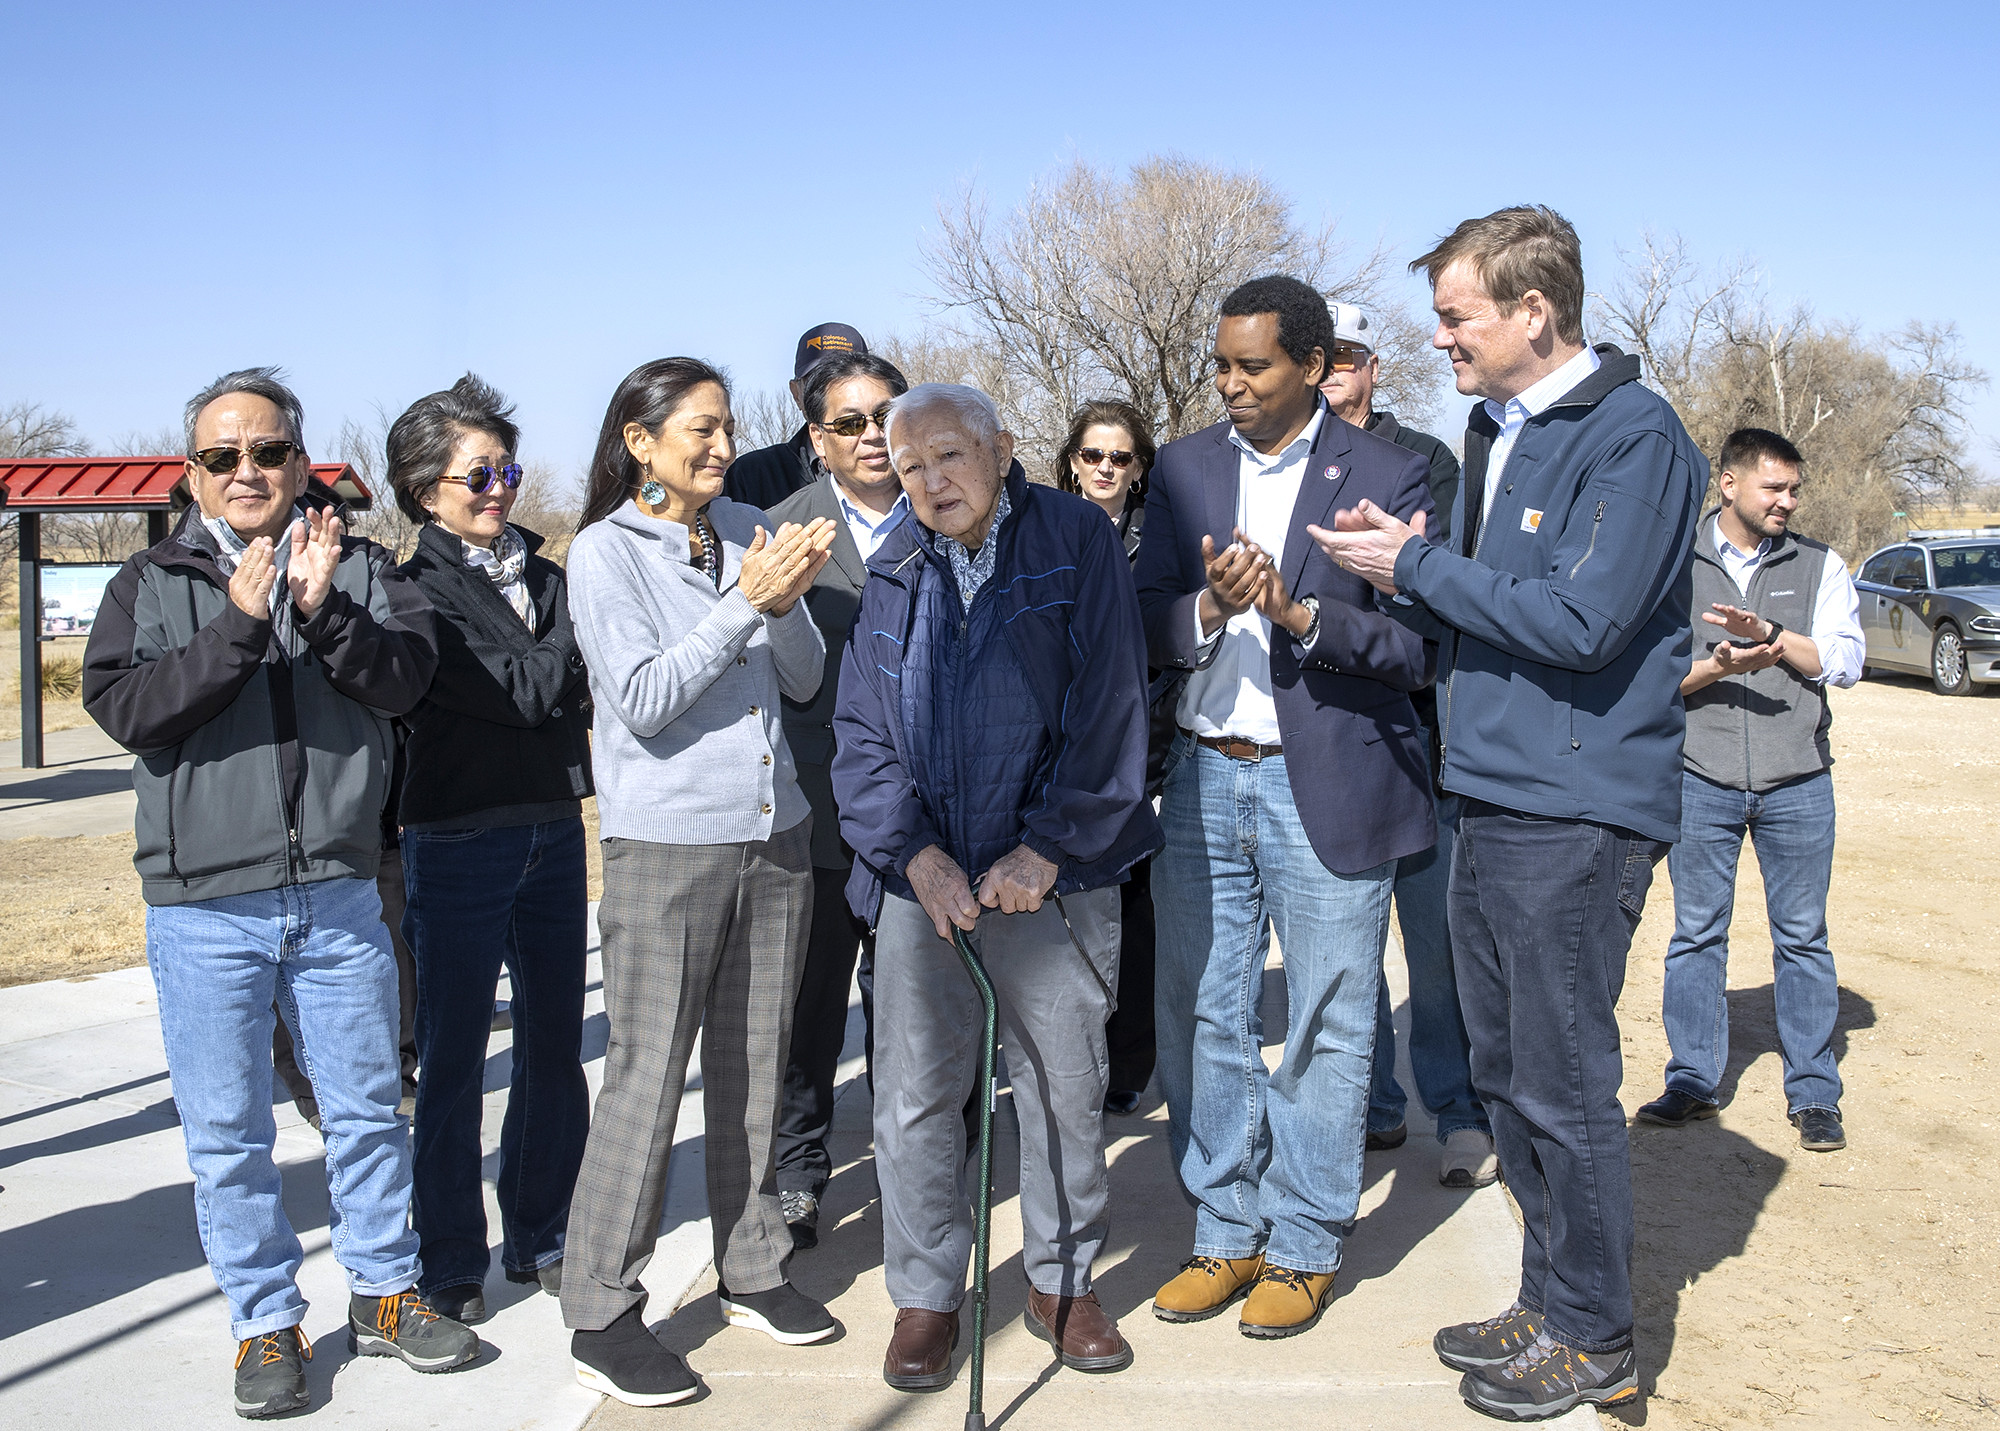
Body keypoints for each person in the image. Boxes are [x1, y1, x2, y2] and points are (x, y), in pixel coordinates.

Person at [1315, 206, 1704, 1419]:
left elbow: (1583, 623)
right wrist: (1409, 564)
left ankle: (1594, 1336)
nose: (1438, 339)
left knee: (1562, 1079)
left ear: (1534, 311)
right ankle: (1545, 1300)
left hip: (1572, 811)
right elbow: (1490, 602)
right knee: (1504, 1070)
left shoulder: (1635, 436)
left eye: (1455, 316)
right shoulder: (1494, 430)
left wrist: (1415, 569)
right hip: (1483, 794)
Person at [81, 367, 478, 1419]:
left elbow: (407, 681)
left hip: (340, 894)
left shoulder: (361, 568)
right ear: (193, 473)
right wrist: (240, 623)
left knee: (365, 1112)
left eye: (267, 452)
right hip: (204, 909)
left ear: (301, 464)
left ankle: (385, 1295)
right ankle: (265, 1322)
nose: (247, 470)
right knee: (228, 1135)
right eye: (224, 456)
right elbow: (130, 711)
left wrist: (320, 606)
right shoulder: (149, 582)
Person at [834, 383, 1162, 1390]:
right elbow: (861, 736)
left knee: (1064, 1089)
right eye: (911, 466)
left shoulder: (1074, 537)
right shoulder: (891, 563)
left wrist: (1044, 847)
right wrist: (913, 854)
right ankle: (927, 1296)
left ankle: (1061, 1283)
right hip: (925, 883)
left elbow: (1111, 707)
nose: (931, 481)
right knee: (915, 1097)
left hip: (1050, 877)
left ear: (1003, 448)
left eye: (950, 456)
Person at [1133, 276, 1438, 1340]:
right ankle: (1225, 1228)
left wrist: (1296, 613)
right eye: (1220, 365)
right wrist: (1209, 608)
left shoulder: (1390, 473)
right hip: (1202, 778)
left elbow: (1418, 647)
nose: (1230, 383)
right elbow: (1142, 619)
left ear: (1312, 365)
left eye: (1252, 365)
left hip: (1333, 782)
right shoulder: (1182, 470)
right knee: (1203, 1012)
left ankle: (1304, 1243)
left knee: (1325, 1020)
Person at [560, 357, 839, 1407]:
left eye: (728, 428)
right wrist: (741, 606)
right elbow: (640, 700)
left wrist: (783, 603)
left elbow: (803, 678)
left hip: (775, 833)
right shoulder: (604, 550)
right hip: (667, 849)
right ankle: (600, 1309)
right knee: (645, 1080)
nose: (723, 447)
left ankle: (753, 1267)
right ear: (640, 441)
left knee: (757, 1063)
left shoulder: (749, 528)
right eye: (701, 430)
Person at [386, 374, 594, 1325]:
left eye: (507, 469)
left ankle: (542, 1230)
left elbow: (562, 695)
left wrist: (560, 656)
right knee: (454, 1058)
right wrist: (573, 643)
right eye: (477, 474)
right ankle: (448, 1258)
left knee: (555, 1047)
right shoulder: (411, 590)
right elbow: (525, 691)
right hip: (456, 838)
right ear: (424, 488)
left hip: (552, 826)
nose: (499, 488)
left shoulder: (548, 577)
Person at [1637, 427, 1863, 1152]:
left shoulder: (1820, 565)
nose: (1787, 501)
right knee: (1696, 933)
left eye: (1794, 490)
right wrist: (1716, 668)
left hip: (1799, 781)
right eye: (1774, 488)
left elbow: (1844, 661)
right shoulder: (1674, 562)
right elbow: (1647, 679)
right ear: (1729, 484)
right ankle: (1692, 1080)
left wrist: (1772, 633)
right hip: (1699, 778)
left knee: (1802, 937)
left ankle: (1814, 1091)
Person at [1317, 302, 1495, 1188]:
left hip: (1418, 736)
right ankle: (1374, 1107)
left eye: (1350, 357)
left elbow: (1438, 581)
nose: (1335, 372)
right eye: (1322, 357)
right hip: (1329, 734)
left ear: (1374, 366)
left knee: (1435, 945)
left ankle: (1459, 1112)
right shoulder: (1288, 460)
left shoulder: (1426, 459)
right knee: (1348, 953)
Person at [764, 349, 911, 1249]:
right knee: (808, 1010)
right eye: (848, 423)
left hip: (925, 814)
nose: (870, 436)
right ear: (818, 440)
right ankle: (797, 1173)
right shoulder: (778, 531)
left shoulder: (953, 511)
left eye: (883, 416)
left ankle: (921, 1163)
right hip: (816, 809)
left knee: (915, 1008)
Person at [1055, 400, 1163, 1116]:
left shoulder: (1160, 539)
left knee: (1133, 913)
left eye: (1120, 457)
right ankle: (1060, 1060)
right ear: (1072, 462)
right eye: (1092, 455)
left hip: (1142, 751)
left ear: (1139, 468)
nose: (1105, 468)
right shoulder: (1043, 530)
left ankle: (1126, 1062)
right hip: (1061, 750)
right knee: (1055, 923)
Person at [724, 322, 872, 510]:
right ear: (796, 393)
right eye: (817, 383)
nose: (831, 394)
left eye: (844, 380)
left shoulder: (899, 467)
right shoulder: (750, 476)